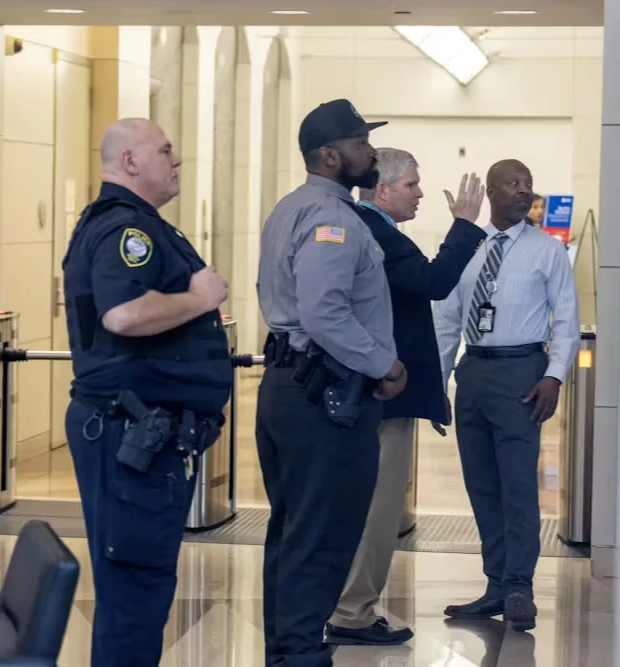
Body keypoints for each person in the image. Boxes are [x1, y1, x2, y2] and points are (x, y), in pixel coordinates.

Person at [62, 118, 233, 667]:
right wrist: (200, 300)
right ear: (130, 161)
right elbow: (124, 314)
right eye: (165, 149)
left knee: (135, 588)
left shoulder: (138, 224)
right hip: (132, 434)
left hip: (140, 432)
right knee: (135, 589)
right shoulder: (126, 231)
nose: (176, 158)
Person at [255, 98, 406, 667]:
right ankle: (299, 654)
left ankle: (287, 650)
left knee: (294, 533)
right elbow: (325, 313)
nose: (370, 151)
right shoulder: (334, 220)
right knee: (321, 537)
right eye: (360, 142)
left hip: (291, 386)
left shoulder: (290, 208)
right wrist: (385, 365)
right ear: (328, 155)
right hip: (324, 396)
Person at [326, 148, 489, 646]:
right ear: (383, 189)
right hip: (382, 393)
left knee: (363, 503)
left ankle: (347, 604)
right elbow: (434, 283)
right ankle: (353, 611)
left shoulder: (368, 228)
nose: (420, 193)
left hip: (372, 390)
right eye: (413, 185)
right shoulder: (376, 234)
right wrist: (463, 225)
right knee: (378, 508)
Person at [434, 159, 580, 633]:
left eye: (529, 185)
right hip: (473, 371)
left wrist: (554, 376)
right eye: (513, 184)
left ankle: (519, 586)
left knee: (517, 486)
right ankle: (495, 584)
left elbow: (566, 320)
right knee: (482, 487)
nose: (524, 192)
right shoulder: (468, 249)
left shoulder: (546, 251)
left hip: (523, 374)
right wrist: (438, 386)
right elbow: (447, 322)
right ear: (492, 191)